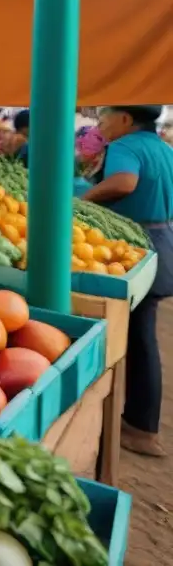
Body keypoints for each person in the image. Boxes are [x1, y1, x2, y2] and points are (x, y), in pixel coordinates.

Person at [84, 105, 173, 457]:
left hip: (141, 250)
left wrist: (80, 201)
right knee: (141, 335)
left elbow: (125, 182)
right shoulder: (163, 148)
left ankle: (140, 428)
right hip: (164, 241)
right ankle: (141, 424)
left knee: (138, 338)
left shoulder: (126, 146)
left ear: (125, 119)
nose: (101, 123)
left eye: (105, 116)